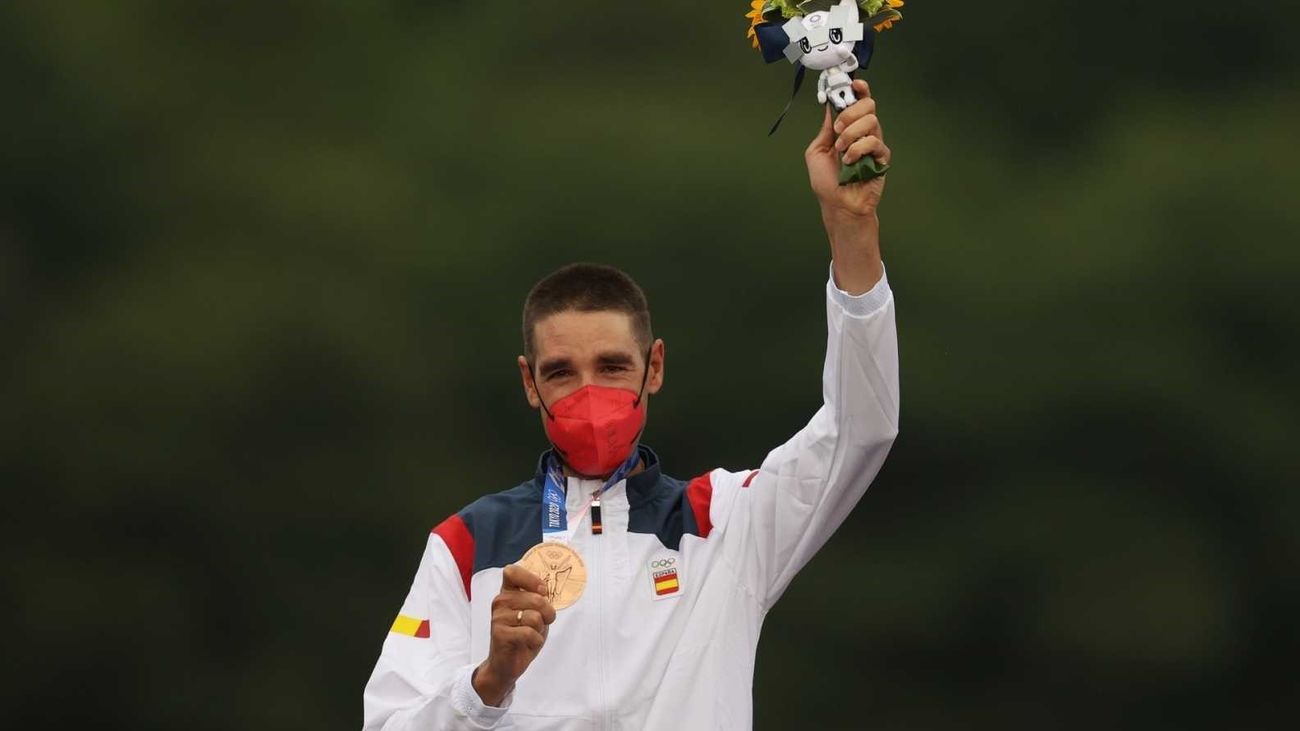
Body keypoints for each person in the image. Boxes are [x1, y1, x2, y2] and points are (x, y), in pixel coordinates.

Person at [363, 79, 899, 730]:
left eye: (613, 366)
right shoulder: (468, 544)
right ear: (530, 383)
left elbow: (862, 426)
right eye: (563, 372)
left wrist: (852, 225)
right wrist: (488, 682)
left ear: (655, 368)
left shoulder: (728, 524)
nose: (590, 393)